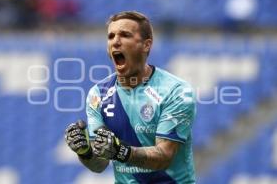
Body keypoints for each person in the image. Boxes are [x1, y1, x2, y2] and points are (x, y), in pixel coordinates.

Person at [65, 11, 196, 184]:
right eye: (111, 36)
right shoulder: (98, 94)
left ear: (146, 45)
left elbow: (164, 156)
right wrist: (84, 152)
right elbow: (99, 164)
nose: (115, 41)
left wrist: (122, 151)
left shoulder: (175, 91)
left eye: (125, 35)